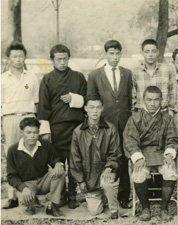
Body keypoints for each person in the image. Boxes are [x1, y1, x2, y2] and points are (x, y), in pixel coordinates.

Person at [37, 44, 87, 209]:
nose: (62, 62)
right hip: (56, 128)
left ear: (68, 58)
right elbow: (43, 107)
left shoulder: (78, 77)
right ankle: (61, 195)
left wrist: (74, 98)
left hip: (75, 127)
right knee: (57, 163)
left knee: (74, 163)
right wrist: (45, 132)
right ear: (52, 60)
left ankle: (73, 194)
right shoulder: (47, 79)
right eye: (59, 59)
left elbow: (88, 99)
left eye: (65, 59)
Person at [87, 40, 133, 209]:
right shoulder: (94, 75)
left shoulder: (127, 74)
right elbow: (91, 99)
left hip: (124, 123)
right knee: (103, 157)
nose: (114, 57)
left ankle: (123, 195)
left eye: (117, 53)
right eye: (111, 53)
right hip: (104, 124)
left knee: (122, 159)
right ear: (105, 54)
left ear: (121, 54)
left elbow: (128, 98)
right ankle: (101, 193)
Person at [123, 86, 178, 222]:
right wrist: (137, 157)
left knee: (170, 171)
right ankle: (145, 208)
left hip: (161, 153)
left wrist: (170, 154)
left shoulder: (167, 118)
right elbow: (130, 140)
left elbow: (173, 138)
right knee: (139, 173)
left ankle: (164, 208)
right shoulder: (135, 118)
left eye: (156, 100)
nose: (153, 103)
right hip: (142, 154)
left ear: (161, 100)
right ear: (143, 100)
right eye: (149, 100)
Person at [1, 42, 40, 210]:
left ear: (25, 58)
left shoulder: (31, 78)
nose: (18, 60)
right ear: (8, 59)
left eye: (21, 56)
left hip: (28, 118)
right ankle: (13, 197)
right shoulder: (2, 79)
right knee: (12, 156)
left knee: (31, 155)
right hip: (9, 119)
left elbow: (36, 102)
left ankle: (33, 194)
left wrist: (34, 122)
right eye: (14, 56)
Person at [70, 96, 121, 219]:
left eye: (98, 107)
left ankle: (114, 210)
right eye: (91, 107)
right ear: (86, 109)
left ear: (102, 109)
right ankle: (103, 196)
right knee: (95, 211)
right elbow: (74, 159)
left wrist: (109, 168)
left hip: (106, 173)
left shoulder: (110, 129)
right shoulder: (78, 132)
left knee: (107, 183)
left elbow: (115, 153)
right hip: (89, 178)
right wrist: (81, 181)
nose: (95, 111)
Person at [7, 117, 65, 217]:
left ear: (39, 132)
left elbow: (55, 160)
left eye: (35, 132)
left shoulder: (45, 145)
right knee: (28, 206)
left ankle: (52, 205)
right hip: (27, 184)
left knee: (60, 172)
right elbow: (11, 177)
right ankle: (31, 203)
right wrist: (23, 188)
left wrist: (58, 164)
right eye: (28, 132)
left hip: (43, 182)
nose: (32, 136)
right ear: (22, 133)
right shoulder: (13, 150)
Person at [132, 39, 176, 115]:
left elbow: (172, 92)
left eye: (153, 51)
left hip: (162, 113)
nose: (150, 55)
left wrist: (171, 110)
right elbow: (133, 95)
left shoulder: (168, 69)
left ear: (158, 52)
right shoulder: (135, 72)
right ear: (142, 53)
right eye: (147, 51)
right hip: (142, 114)